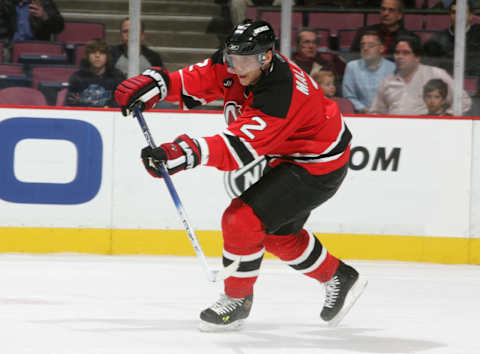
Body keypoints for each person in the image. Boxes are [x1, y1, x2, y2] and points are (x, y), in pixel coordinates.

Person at [114, 20, 367, 331]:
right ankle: (339, 276)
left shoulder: (281, 92)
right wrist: (159, 85)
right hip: (292, 154)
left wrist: (182, 152)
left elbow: (238, 150)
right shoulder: (235, 61)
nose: (236, 68)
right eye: (233, 59)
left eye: (245, 61)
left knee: (241, 220)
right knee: (277, 236)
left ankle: (238, 299)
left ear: (267, 57)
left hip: (318, 163)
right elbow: (199, 79)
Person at [370, 35, 471, 115]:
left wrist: (445, 118)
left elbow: (463, 100)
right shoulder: (387, 82)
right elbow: (376, 112)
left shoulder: (435, 74)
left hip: (429, 133)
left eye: (405, 53)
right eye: (397, 53)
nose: (400, 57)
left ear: (417, 57)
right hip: (396, 134)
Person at [342, 31, 395, 113]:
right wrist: (363, 110)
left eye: (371, 45)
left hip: (388, 116)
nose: (365, 48)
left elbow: (397, 96)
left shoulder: (393, 68)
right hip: (360, 116)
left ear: (381, 48)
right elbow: (348, 96)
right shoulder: (352, 67)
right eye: (362, 45)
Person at [423, 1, 480, 76]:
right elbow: (428, 64)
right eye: (454, 12)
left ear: (470, 16)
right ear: (450, 15)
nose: (457, 16)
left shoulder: (478, 33)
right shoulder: (438, 39)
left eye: (462, 12)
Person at [67, 38, 125, 108]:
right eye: (93, 52)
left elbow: (122, 101)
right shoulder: (77, 77)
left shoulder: (117, 76)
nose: (97, 56)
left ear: (107, 56)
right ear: (87, 56)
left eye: (102, 52)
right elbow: (71, 103)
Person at [350, 0, 417, 56]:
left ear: (400, 15)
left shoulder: (411, 39)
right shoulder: (363, 33)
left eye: (391, 10)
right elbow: (353, 58)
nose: (385, 13)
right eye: (383, 9)